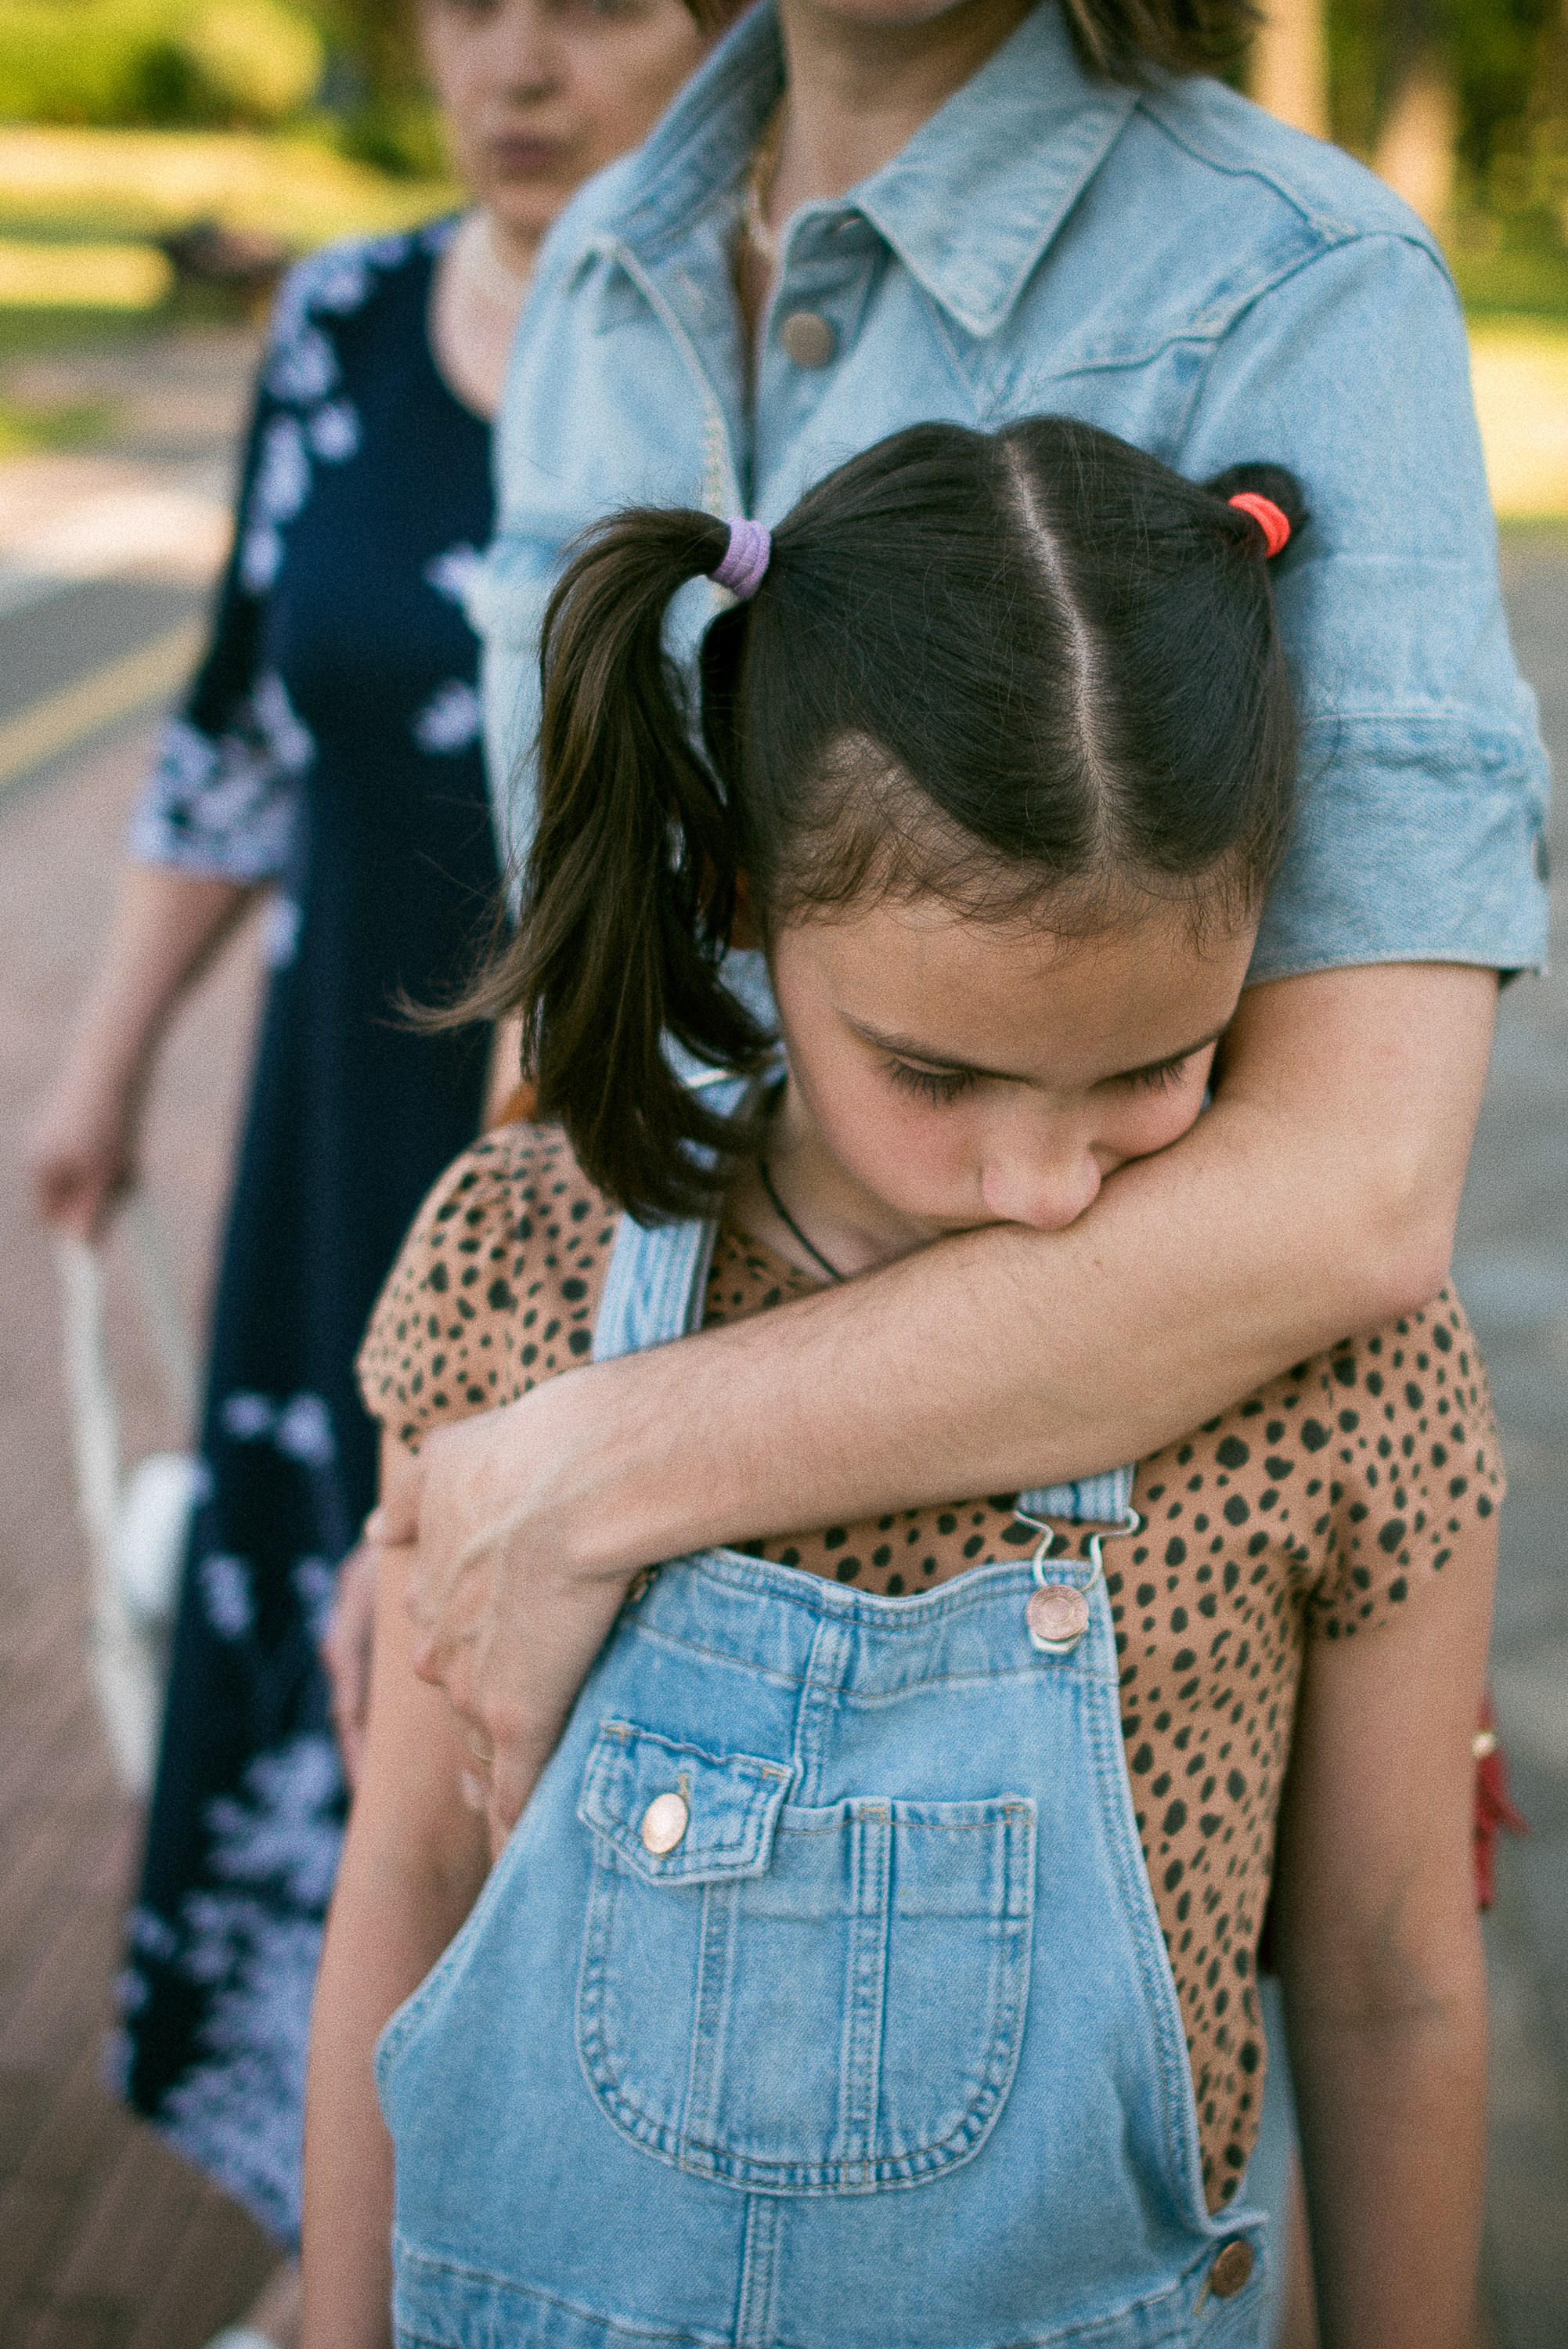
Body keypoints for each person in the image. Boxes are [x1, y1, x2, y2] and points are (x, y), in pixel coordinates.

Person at [307, 420, 1498, 2349]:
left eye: (1158, 1065)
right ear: (747, 897)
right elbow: (413, 1874)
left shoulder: (1339, 1376)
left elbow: (1385, 1978)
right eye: (937, 1077)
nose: (1044, 1190)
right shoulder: (519, 1261)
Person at [377, 0, 1547, 1880]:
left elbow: (1355, 1181)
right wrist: (435, 1484)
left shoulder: (1300, 282)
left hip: (1091, 1678)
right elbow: (582, 965)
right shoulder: (604, 265)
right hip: (594, 1650)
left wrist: (589, 1469)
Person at [24, 0, 716, 2291]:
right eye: (465, 4)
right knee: (330, 1705)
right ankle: (354, 2249)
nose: (510, 64)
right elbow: (234, 732)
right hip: (342, 1150)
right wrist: (105, 1068)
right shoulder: (333, 323)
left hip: (629, 1194)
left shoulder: (753, 345)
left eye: (591, 6)